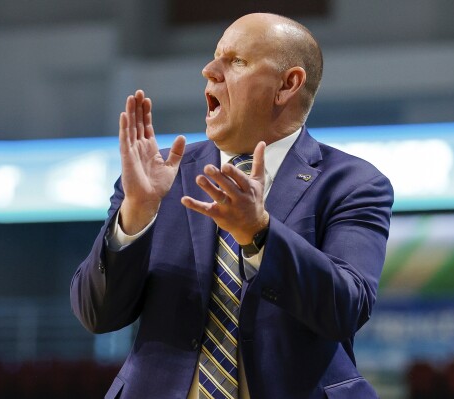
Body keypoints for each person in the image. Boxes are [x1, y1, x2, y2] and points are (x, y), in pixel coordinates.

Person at [71, 12, 393, 399]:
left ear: (287, 85)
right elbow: (97, 314)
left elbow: (346, 308)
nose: (209, 70)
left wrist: (259, 234)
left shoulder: (353, 183)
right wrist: (137, 213)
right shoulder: (157, 177)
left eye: (236, 61)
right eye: (214, 57)